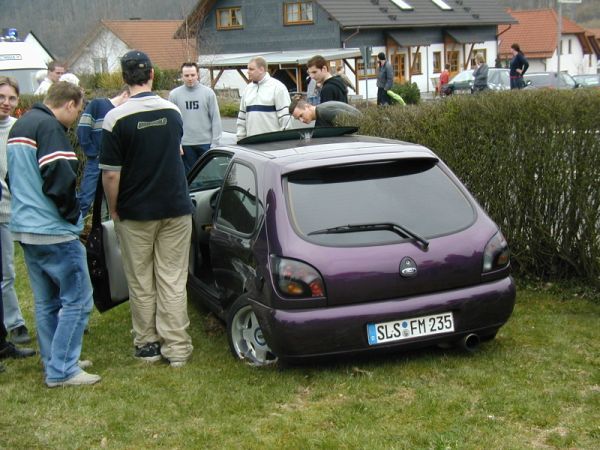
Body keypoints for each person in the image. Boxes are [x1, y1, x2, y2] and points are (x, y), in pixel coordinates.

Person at [100, 50, 193, 368]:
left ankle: (148, 345)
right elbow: (176, 151)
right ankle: (177, 348)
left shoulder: (116, 118)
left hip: (136, 211)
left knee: (141, 279)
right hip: (175, 208)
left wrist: (113, 209)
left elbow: (111, 173)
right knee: (172, 278)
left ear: (124, 79)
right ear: (152, 74)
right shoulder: (172, 111)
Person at [7, 81, 100, 387]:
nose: (75, 118)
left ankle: (55, 358)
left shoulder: (20, 126)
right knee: (78, 299)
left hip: (25, 228)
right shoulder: (49, 129)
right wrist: (73, 215)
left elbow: (11, 176)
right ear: (70, 104)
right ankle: (63, 368)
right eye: (78, 110)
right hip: (54, 231)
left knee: (47, 302)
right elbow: (60, 178)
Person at [0, 76, 32, 344]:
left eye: (11, 98)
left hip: (23, 208)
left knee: (40, 265)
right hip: (1, 211)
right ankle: (15, 323)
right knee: (7, 271)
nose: (6, 103)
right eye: (1, 97)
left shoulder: (19, 129)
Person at [76, 86, 129, 217]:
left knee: (111, 199)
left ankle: (104, 230)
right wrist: (93, 152)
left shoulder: (125, 113)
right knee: (86, 197)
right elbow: (83, 129)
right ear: (125, 95)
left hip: (116, 163)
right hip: (96, 161)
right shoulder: (98, 105)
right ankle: (75, 228)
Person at [169, 62, 222, 173]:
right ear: (181, 76)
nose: (190, 78)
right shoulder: (174, 95)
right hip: (185, 145)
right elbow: (171, 122)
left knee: (208, 176)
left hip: (206, 143)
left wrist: (215, 143)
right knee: (189, 178)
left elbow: (215, 119)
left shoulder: (208, 93)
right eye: (186, 75)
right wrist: (176, 143)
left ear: (197, 74)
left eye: (193, 75)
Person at [236, 56, 291, 140]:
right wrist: (240, 139)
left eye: (251, 69)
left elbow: (286, 118)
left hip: (272, 144)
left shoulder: (278, 88)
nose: (248, 72)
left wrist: (284, 142)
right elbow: (242, 118)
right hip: (251, 144)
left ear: (261, 69)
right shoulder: (247, 89)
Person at [289, 98, 361, 127]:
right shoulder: (320, 110)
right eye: (298, 119)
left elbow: (353, 120)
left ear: (307, 106)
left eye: (301, 115)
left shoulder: (324, 112)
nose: (301, 120)